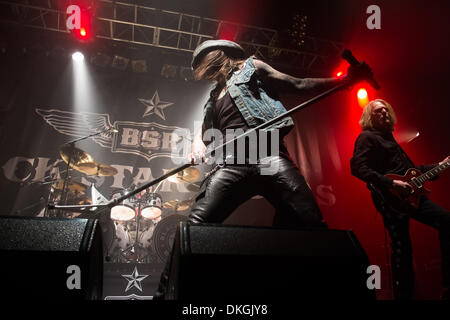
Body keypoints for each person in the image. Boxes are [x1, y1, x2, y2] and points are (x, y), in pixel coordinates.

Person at [154, 39, 371, 299]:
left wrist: (345, 82)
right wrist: (198, 143)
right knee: (194, 226)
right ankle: (163, 296)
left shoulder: (252, 67)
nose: (200, 67)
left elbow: (297, 84)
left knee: (310, 221)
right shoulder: (214, 97)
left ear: (219, 55)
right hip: (233, 161)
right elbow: (205, 133)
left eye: (203, 59)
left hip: (268, 154)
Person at [350, 98, 450, 300]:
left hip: (410, 195)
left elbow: (413, 172)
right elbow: (358, 168)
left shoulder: (390, 139)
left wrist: (440, 165)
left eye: (386, 110)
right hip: (391, 198)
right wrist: (391, 184)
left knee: (446, 222)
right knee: (402, 248)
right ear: (370, 116)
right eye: (379, 111)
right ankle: (404, 295)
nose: (385, 113)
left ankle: (446, 285)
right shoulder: (367, 138)